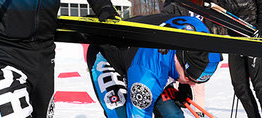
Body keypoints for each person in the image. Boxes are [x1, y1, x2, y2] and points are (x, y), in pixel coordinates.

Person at [87, 14, 222, 118]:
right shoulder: (148, 77)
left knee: (173, 115)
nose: (193, 85)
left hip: (147, 58)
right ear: (178, 60)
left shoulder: (198, 30)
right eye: (190, 79)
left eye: (198, 80)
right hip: (107, 55)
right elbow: (138, 114)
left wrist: (184, 83)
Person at [160, 0, 208, 117]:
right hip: (179, 49)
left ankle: (199, 113)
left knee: (198, 85)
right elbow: (165, 19)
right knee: (176, 81)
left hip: (200, 48)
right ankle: (173, 111)